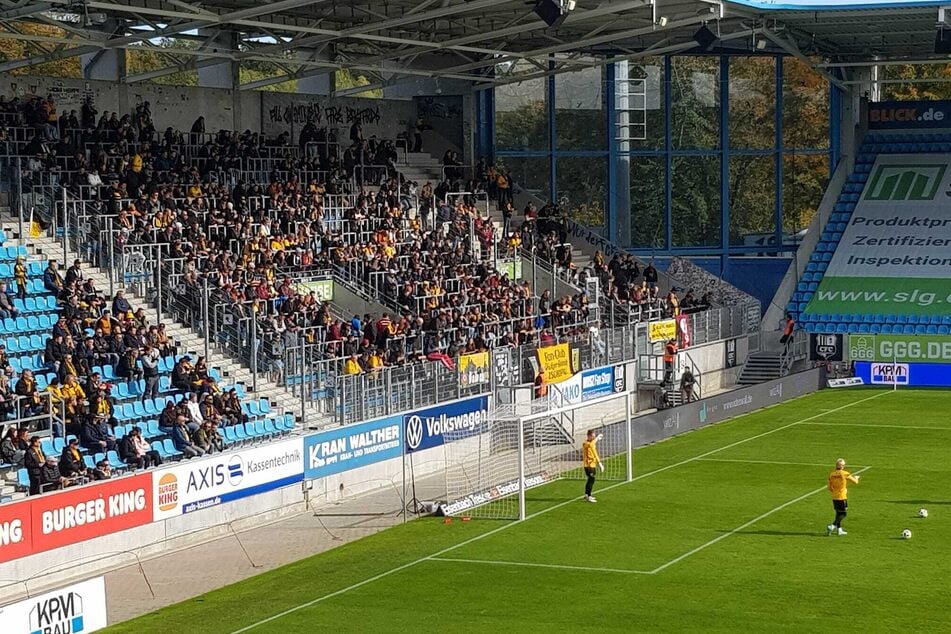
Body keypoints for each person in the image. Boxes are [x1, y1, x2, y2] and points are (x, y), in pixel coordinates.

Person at [827, 458, 860, 536]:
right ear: (842, 466)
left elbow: (829, 487)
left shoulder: (831, 474)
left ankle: (839, 530)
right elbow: (855, 482)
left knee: (838, 513)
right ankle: (832, 526)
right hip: (842, 496)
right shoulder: (845, 473)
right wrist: (856, 478)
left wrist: (835, 491)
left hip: (834, 497)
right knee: (843, 514)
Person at [582, 429, 604, 503]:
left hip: (593, 464)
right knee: (591, 480)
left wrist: (599, 463)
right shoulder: (586, 443)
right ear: (589, 436)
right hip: (588, 465)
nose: (593, 438)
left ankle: (587, 495)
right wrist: (597, 439)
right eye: (593, 436)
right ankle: (589, 496)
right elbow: (591, 445)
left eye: (594, 436)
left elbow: (595, 453)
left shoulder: (592, 443)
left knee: (591, 480)